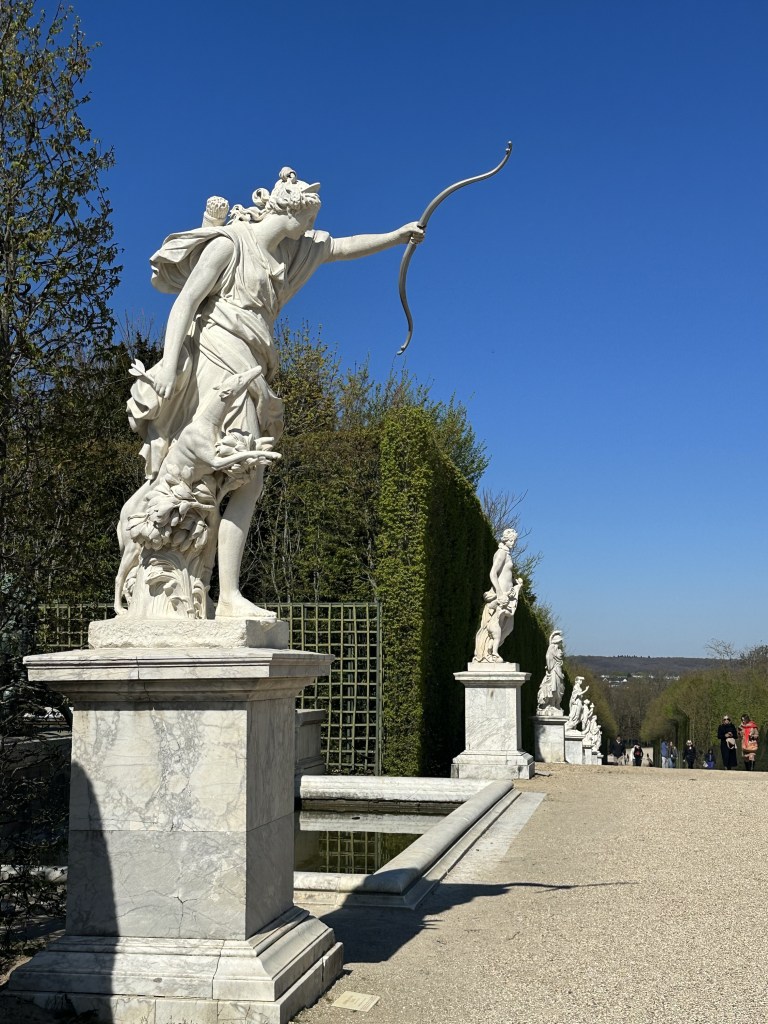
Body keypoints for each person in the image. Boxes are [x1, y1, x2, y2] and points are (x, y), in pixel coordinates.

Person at [121, 169, 424, 619]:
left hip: (253, 366)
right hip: (219, 354)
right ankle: (189, 584)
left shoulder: (296, 250)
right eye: (305, 197)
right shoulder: (231, 243)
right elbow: (184, 303)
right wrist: (167, 364)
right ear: (284, 203)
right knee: (221, 466)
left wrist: (397, 236)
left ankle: (223, 594)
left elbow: (341, 247)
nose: (312, 205)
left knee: (250, 479)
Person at [472, 530, 523, 662]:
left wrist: (514, 582)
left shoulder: (507, 553)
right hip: (500, 595)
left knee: (507, 627)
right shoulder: (501, 553)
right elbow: (493, 573)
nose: (513, 543)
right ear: (505, 539)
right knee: (495, 626)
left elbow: (505, 574)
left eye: (514, 541)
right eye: (511, 540)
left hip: (507, 595)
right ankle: (489, 653)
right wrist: (499, 593)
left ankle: (490, 650)